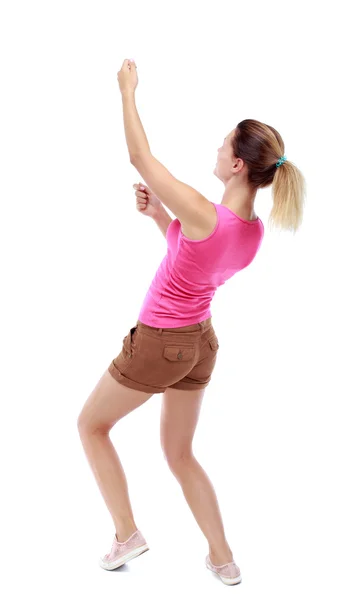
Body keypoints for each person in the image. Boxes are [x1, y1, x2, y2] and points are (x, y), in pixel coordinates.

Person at [77, 118, 306, 586]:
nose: (217, 149)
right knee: (180, 453)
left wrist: (126, 91)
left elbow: (141, 157)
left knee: (91, 425)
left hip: (160, 342)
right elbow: (196, 259)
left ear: (238, 165)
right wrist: (160, 216)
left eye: (223, 146)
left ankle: (127, 533)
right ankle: (223, 559)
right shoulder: (251, 230)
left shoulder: (206, 214)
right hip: (199, 343)